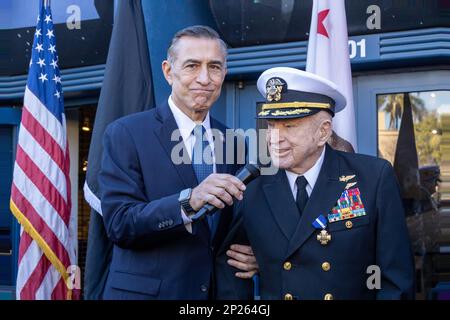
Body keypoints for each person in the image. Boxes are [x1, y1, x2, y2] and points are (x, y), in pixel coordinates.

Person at [218, 67, 415, 300]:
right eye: (271, 125)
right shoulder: (252, 185)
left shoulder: (372, 177)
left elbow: (396, 279)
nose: (274, 138)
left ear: (323, 132)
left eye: (289, 126)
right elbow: (231, 265)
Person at [99, 25, 257, 300]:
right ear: (168, 71)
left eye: (215, 67)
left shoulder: (235, 142)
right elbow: (119, 224)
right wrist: (189, 201)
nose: (205, 78)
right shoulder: (126, 133)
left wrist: (258, 256)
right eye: (192, 66)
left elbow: (237, 227)